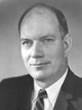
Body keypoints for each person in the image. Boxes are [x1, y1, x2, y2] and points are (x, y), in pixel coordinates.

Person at [0, 3, 82, 110]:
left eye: (47, 40)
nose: (35, 53)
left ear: (66, 45)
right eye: (27, 42)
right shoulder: (6, 90)